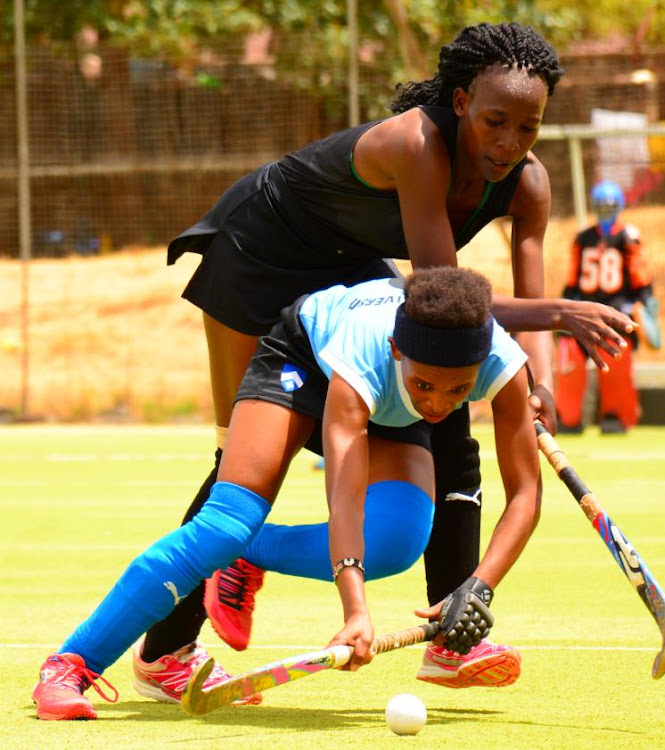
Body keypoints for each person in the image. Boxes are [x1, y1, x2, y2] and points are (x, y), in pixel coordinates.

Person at [127, 21, 635, 696]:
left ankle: (456, 629)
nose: (509, 144)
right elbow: (435, 295)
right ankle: (164, 651)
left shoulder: (526, 184)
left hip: (344, 265)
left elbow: (503, 313)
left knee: (446, 408)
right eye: (493, 122)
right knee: (249, 460)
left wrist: (533, 383)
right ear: (458, 103)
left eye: (528, 128)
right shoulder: (417, 145)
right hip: (257, 256)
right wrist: (560, 314)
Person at [33, 267, 542, 720]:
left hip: (386, 401)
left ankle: (248, 555)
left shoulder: (501, 362)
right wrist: (356, 612)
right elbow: (344, 494)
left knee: (397, 539)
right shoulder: (368, 349)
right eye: (427, 385)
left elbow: (525, 493)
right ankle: (70, 665)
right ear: (397, 349)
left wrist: (478, 585)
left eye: (459, 391)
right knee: (224, 527)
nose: (438, 405)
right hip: (305, 360)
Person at [555, 180, 661, 434]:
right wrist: (566, 307)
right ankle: (567, 417)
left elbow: (639, 273)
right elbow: (573, 278)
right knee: (569, 355)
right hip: (584, 309)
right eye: (600, 205)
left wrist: (647, 300)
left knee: (617, 360)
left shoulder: (628, 237)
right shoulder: (583, 238)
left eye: (609, 205)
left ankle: (615, 416)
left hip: (616, 312)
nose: (604, 210)